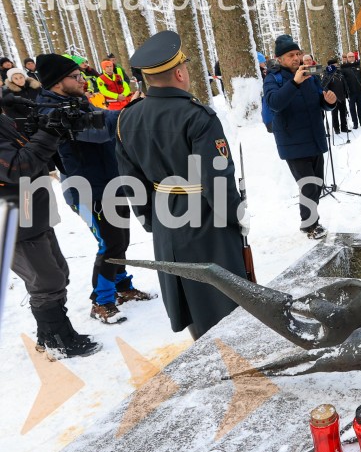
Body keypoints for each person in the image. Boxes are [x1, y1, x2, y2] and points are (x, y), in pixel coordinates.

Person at [115, 30, 247, 340]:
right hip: (206, 221)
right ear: (179, 72)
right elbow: (217, 178)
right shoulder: (197, 117)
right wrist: (235, 217)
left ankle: (204, 350)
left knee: (187, 298)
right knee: (224, 300)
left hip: (165, 219)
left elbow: (131, 181)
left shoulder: (127, 119)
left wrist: (151, 220)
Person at [37, 54, 151, 325]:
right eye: (75, 77)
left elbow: (105, 117)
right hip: (86, 189)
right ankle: (101, 301)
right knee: (109, 243)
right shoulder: (51, 112)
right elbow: (98, 129)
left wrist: (126, 110)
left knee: (119, 239)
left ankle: (121, 287)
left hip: (109, 180)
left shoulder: (74, 101)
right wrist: (129, 111)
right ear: (56, 83)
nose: (82, 80)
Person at [1, 85, 102, 359]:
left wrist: (36, 125)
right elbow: (16, 167)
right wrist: (49, 132)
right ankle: (58, 342)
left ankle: (52, 334)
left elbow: (29, 152)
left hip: (32, 212)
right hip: (13, 222)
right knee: (46, 281)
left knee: (58, 273)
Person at [263, 34, 337, 239]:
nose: (296, 58)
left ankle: (310, 222)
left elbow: (319, 101)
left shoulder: (309, 76)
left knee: (318, 184)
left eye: (298, 53)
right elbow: (274, 103)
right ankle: (310, 225)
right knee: (309, 186)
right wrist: (294, 83)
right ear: (280, 59)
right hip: (292, 142)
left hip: (314, 138)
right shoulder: (273, 78)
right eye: (290, 55)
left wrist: (329, 101)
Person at [321, 58, 350, 135]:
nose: (335, 66)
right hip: (333, 98)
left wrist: (346, 93)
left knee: (343, 113)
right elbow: (324, 86)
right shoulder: (327, 74)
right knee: (335, 114)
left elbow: (344, 84)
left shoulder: (340, 73)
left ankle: (344, 127)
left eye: (336, 64)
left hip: (342, 96)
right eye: (333, 65)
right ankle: (336, 128)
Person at [341, 51, 361, 128]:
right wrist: (346, 91)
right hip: (350, 92)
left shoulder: (359, 65)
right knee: (352, 108)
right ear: (347, 58)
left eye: (352, 56)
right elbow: (343, 81)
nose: (351, 58)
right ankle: (355, 123)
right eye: (349, 57)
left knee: (360, 107)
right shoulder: (344, 67)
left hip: (359, 90)